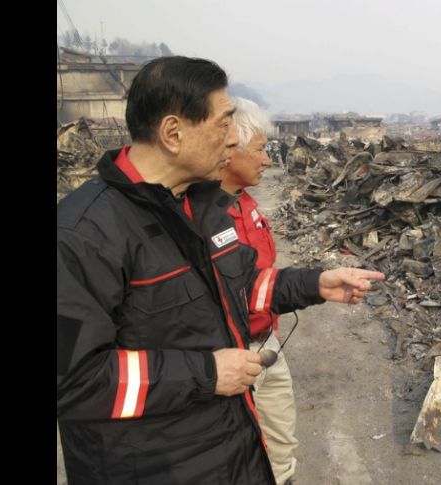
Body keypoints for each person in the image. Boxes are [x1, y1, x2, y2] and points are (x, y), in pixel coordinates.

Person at [57, 56, 384, 485]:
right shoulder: (81, 235)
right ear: (173, 133)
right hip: (152, 468)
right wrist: (208, 374)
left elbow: (241, 286)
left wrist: (315, 283)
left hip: (229, 448)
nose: (234, 140)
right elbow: (73, 382)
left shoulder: (200, 207)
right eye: (224, 122)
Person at [220, 97, 297, 485]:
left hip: (267, 343)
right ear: (230, 148)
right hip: (230, 356)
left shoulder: (246, 202)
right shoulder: (202, 215)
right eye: (261, 149)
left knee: (281, 438)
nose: (267, 160)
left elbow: (261, 276)